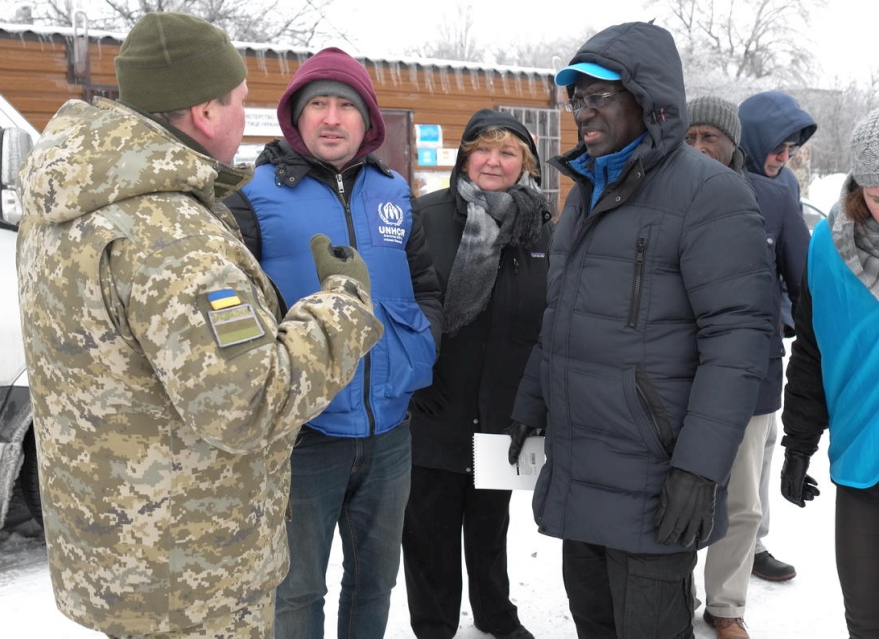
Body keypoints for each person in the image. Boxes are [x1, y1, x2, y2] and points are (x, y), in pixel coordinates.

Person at [15, 13, 383, 639]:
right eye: (240, 101)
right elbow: (247, 402)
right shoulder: (170, 234)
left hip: (121, 555)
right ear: (205, 113)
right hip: (194, 576)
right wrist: (342, 305)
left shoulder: (71, 203)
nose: (245, 117)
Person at [507, 22, 774, 638]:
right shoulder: (584, 192)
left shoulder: (712, 194)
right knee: (594, 625)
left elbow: (738, 344)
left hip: (655, 477)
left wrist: (700, 469)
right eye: (578, 99)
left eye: (600, 96)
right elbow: (562, 318)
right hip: (582, 465)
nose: (584, 113)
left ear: (650, 99)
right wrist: (530, 400)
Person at [224, 47, 442, 639]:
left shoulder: (395, 192)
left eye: (345, 105)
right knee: (296, 591)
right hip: (304, 433)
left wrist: (419, 354)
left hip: (390, 430)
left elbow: (425, 289)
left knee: (375, 583)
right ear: (295, 116)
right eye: (316, 103)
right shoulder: (253, 194)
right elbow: (235, 312)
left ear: (366, 119)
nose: (330, 117)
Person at [400, 109, 553, 639]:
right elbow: (400, 305)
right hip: (434, 401)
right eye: (482, 149)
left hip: (503, 408)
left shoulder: (540, 227)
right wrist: (417, 379)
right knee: (428, 527)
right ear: (465, 156)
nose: (493, 161)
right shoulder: (426, 217)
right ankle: (434, 625)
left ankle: (495, 615)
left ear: (524, 163)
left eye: (508, 152)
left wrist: (533, 400)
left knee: (490, 523)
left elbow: (548, 319)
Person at [685, 96, 809, 639]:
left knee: (740, 503)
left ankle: (726, 605)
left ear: (734, 142)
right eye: (688, 138)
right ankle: (673, 591)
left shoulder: (773, 201)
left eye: (709, 136)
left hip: (751, 379)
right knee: (676, 495)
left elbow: (806, 291)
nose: (699, 149)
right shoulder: (660, 199)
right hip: (673, 377)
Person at [781, 106, 879, 639]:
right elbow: (812, 350)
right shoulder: (827, 247)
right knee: (866, 619)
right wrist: (798, 442)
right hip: (863, 461)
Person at [738, 89, 818, 582]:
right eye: (776, 146)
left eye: (790, 149)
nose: (782, 157)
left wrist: (787, 316)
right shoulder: (719, 181)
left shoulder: (784, 185)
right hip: (715, 345)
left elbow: (797, 269)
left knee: (764, 445)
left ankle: (755, 542)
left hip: (766, 344)